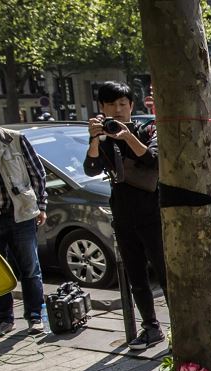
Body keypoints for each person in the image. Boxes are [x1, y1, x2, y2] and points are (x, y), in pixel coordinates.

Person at [83, 81, 167, 350]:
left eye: (122, 104)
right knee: (136, 276)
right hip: (123, 212)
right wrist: (95, 138)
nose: (118, 110)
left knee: (165, 273)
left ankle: (180, 325)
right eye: (111, 105)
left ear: (132, 106)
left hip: (152, 212)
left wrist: (126, 136)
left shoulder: (148, 128)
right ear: (102, 108)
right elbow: (91, 169)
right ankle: (151, 327)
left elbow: (153, 160)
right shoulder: (102, 134)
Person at [0, 94, 48, 337]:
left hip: (20, 213)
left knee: (30, 268)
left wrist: (42, 206)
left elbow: (37, 174)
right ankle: (3, 319)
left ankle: (35, 316)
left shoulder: (14, 139)